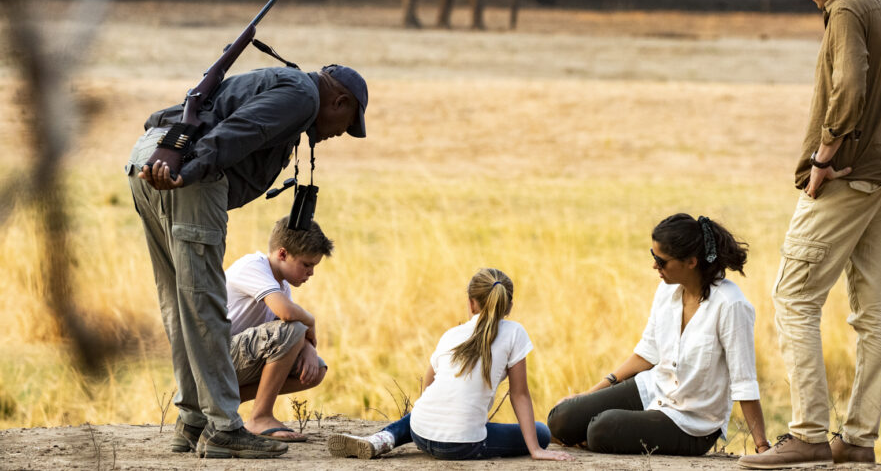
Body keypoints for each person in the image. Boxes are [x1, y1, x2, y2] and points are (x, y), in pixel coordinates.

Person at [738, 0, 881, 469]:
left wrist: (827, 157)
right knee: (872, 309)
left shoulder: (847, 11)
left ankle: (806, 433)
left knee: (793, 295)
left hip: (847, 178)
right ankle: (857, 439)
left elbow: (848, 88)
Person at [126, 64, 368, 459]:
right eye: (346, 122)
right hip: (182, 171)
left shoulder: (282, 85)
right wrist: (187, 173)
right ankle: (223, 426)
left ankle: (193, 421)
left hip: (149, 159)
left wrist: (172, 162)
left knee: (178, 301)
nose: (340, 133)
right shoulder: (303, 97)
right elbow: (240, 132)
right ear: (339, 101)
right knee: (203, 302)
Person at [547, 213, 770, 458]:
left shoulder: (731, 305)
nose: (655, 266)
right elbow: (646, 353)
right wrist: (591, 392)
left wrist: (762, 447)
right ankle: (594, 434)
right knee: (561, 417)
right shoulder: (667, 290)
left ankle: (596, 438)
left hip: (692, 423)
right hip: (653, 389)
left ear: (691, 262)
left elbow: (744, 382)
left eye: (661, 260)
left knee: (601, 429)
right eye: (653, 257)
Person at [327, 268, 573, 462]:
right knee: (541, 432)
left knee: (421, 412)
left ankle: (383, 438)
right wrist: (535, 450)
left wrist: (439, 420)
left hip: (420, 433)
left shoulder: (452, 334)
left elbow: (428, 384)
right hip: (463, 444)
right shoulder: (514, 332)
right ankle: (395, 435)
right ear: (508, 306)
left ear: (471, 303)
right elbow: (519, 394)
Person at [225, 216, 334, 443]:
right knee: (293, 329)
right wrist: (310, 322)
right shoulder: (253, 266)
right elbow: (287, 316)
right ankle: (260, 417)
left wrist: (309, 349)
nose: (311, 273)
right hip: (213, 359)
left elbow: (288, 326)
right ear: (282, 254)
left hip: (234, 359)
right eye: (306, 264)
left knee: (316, 370)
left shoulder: (281, 285)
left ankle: (223, 403)